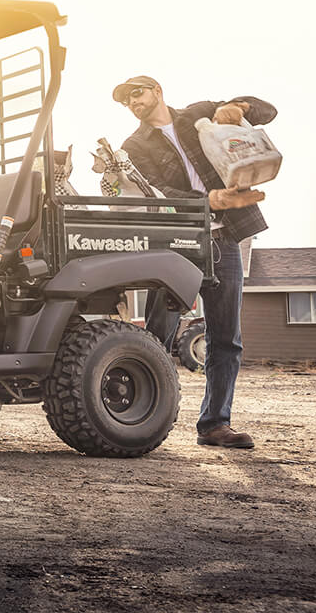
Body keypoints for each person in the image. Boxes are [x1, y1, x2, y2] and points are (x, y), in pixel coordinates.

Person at [112, 75, 275, 449]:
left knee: (226, 339)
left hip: (225, 239)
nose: (133, 102)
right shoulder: (133, 145)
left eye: (137, 93)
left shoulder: (198, 114)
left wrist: (241, 107)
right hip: (177, 244)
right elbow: (157, 193)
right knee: (157, 334)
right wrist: (209, 201)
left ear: (156, 90)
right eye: (126, 100)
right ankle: (142, 417)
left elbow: (268, 112)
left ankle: (215, 425)